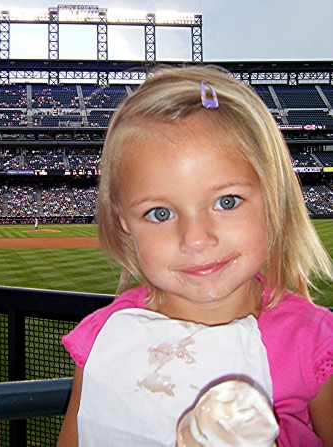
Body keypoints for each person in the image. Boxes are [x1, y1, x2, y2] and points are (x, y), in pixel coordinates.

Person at [57, 65, 333, 447]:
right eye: (160, 213)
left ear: (274, 199)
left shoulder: (311, 342)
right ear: (123, 222)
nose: (196, 239)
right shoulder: (108, 338)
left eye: (227, 201)